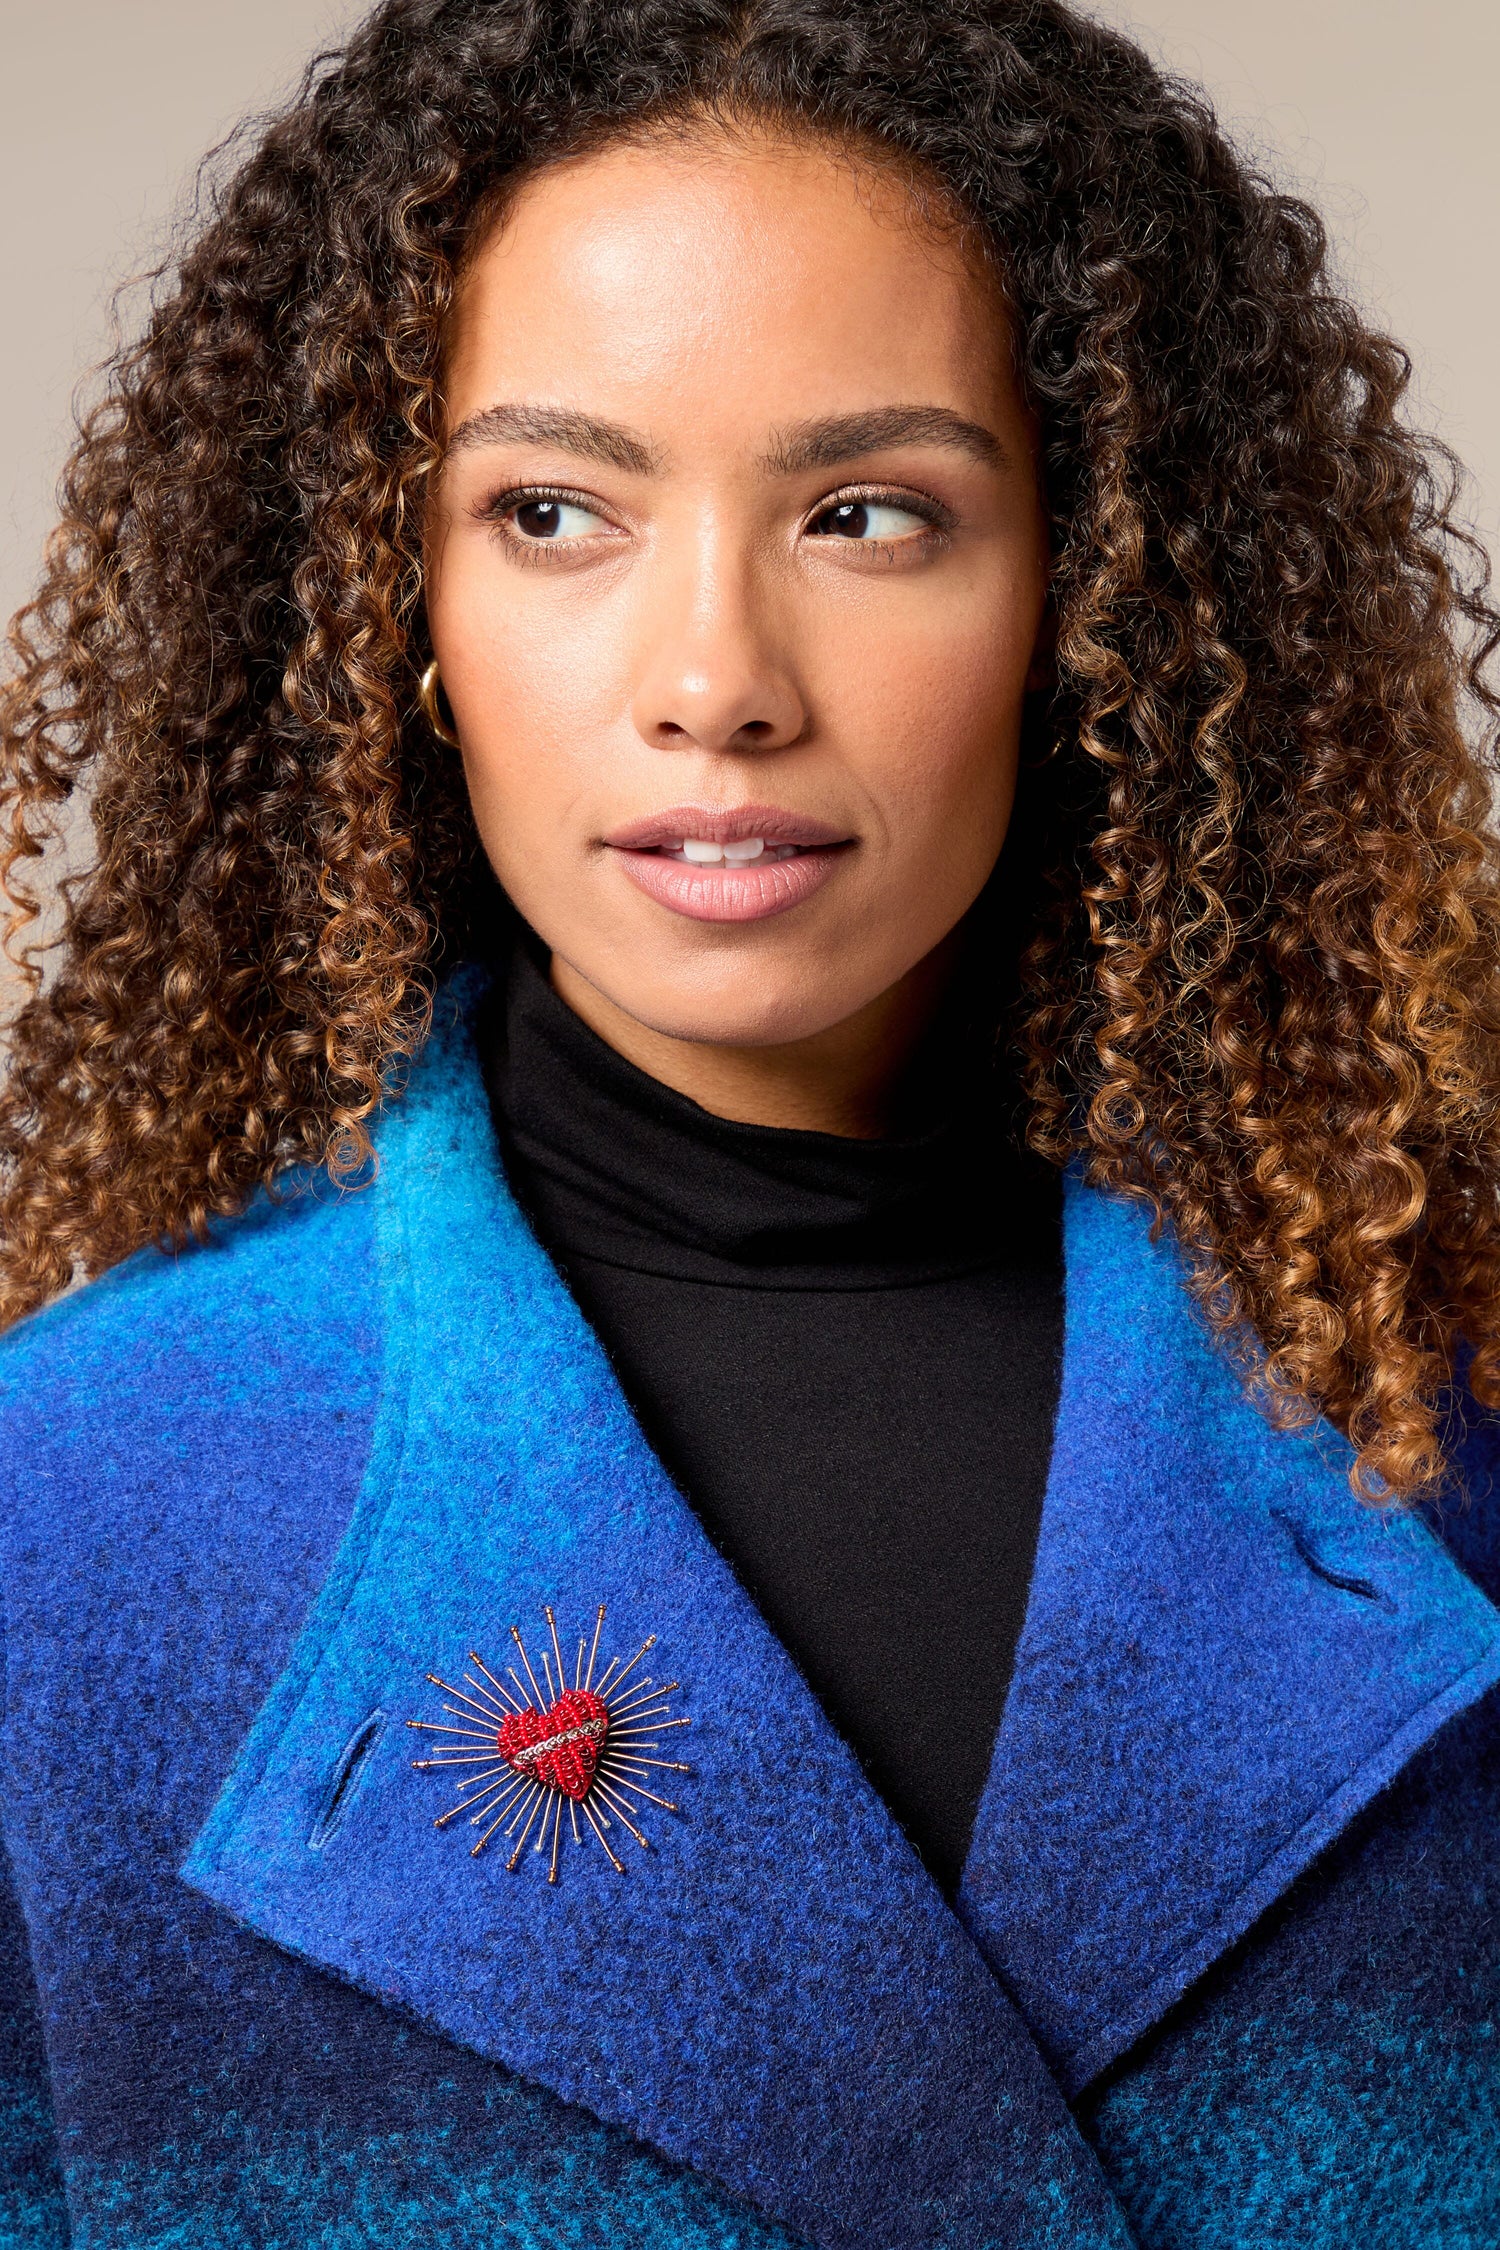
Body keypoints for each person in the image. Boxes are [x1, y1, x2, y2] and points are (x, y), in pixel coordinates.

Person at [1, 1, 1497, 2243]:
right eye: (554, 512)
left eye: (868, 512)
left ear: (1091, 595)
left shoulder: (1449, 1407)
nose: (716, 676)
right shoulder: (65, 1514)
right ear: (392, 605)